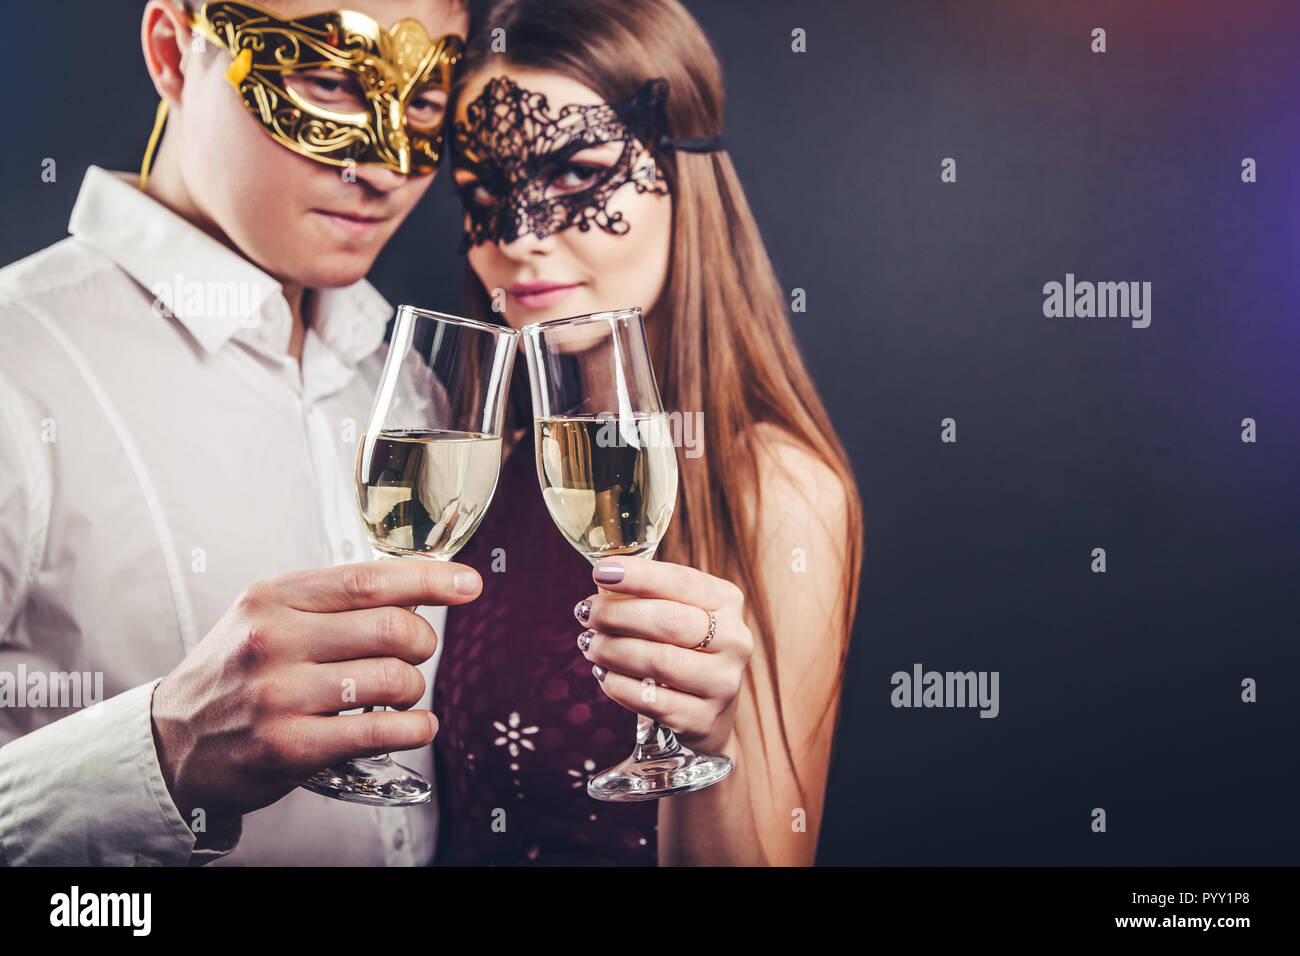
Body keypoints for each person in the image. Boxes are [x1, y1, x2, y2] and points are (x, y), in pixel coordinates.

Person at [0, 0, 476, 865]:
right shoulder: (15, 366)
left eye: (421, 100)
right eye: (329, 80)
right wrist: (159, 752)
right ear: (174, 52)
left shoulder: (408, 388)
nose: (385, 166)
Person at [433, 0, 865, 865]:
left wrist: (708, 745)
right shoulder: (477, 472)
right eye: (484, 190)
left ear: (683, 173)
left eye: (577, 174)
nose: (519, 238)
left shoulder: (776, 492)